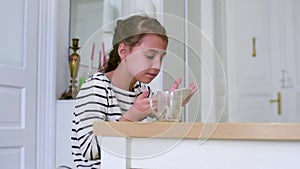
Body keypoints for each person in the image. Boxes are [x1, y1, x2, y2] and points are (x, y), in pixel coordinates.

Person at [71, 14, 197, 168]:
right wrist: (130, 117)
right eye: (150, 56)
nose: (157, 66)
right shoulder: (96, 88)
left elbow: (167, 137)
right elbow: (89, 150)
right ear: (123, 51)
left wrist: (172, 105)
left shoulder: (142, 91)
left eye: (161, 58)